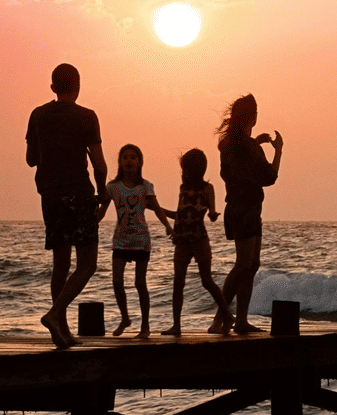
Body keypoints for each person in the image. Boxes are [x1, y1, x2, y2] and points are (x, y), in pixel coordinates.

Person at [25, 63, 106, 349]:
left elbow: (31, 159)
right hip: (80, 195)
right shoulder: (87, 117)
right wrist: (103, 193)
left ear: (52, 87)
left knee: (60, 263)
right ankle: (55, 313)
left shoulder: (38, 115)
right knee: (87, 264)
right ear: (78, 86)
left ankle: (62, 330)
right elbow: (99, 164)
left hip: (50, 195)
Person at [214, 94, 282, 334]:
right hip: (246, 210)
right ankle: (221, 318)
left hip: (239, 208)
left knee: (251, 265)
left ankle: (239, 319)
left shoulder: (230, 144)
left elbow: (242, 164)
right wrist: (278, 150)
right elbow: (269, 177)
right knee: (244, 264)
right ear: (251, 116)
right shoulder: (247, 146)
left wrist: (256, 141)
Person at [98, 143, 172, 338]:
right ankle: (125, 318)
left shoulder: (145, 186)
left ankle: (145, 326)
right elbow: (101, 211)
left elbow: (156, 208)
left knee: (140, 283)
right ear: (120, 163)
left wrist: (167, 226)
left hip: (141, 239)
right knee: (116, 281)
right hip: (120, 240)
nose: (129, 161)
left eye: (133, 157)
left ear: (140, 162)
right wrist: (90, 224)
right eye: (125, 158)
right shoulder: (112, 187)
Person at [161, 148, 230, 336]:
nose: (184, 172)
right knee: (178, 283)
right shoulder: (183, 189)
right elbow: (180, 215)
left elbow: (212, 213)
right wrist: (158, 209)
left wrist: (214, 214)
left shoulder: (207, 189)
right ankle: (176, 325)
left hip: (199, 239)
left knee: (207, 281)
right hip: (182, 240)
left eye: (186, 168)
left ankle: (227, 314)